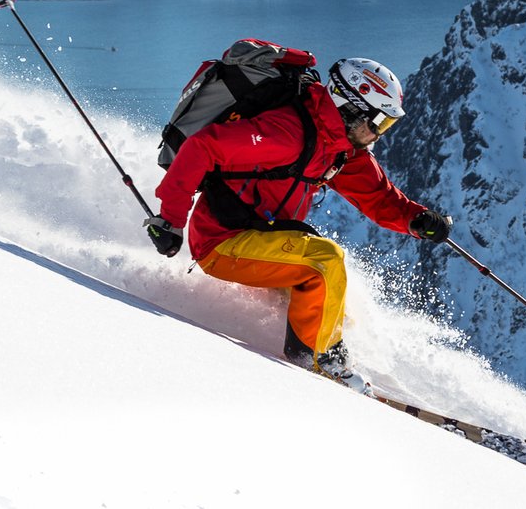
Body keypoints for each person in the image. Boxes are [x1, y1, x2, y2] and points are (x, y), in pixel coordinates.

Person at [146, 56, 452, 390]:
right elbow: (203, 148)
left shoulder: (338, 148)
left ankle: (334, 354)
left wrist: (417, 220)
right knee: (325, 261)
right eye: (377, 123)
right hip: (222, 241)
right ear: (349, 108)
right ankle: (319, 362)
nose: (378, 134)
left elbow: (378, 197)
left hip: (265, 238)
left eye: (386, 126)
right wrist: (171, 221)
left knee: (330, 303)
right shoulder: (287, 134)